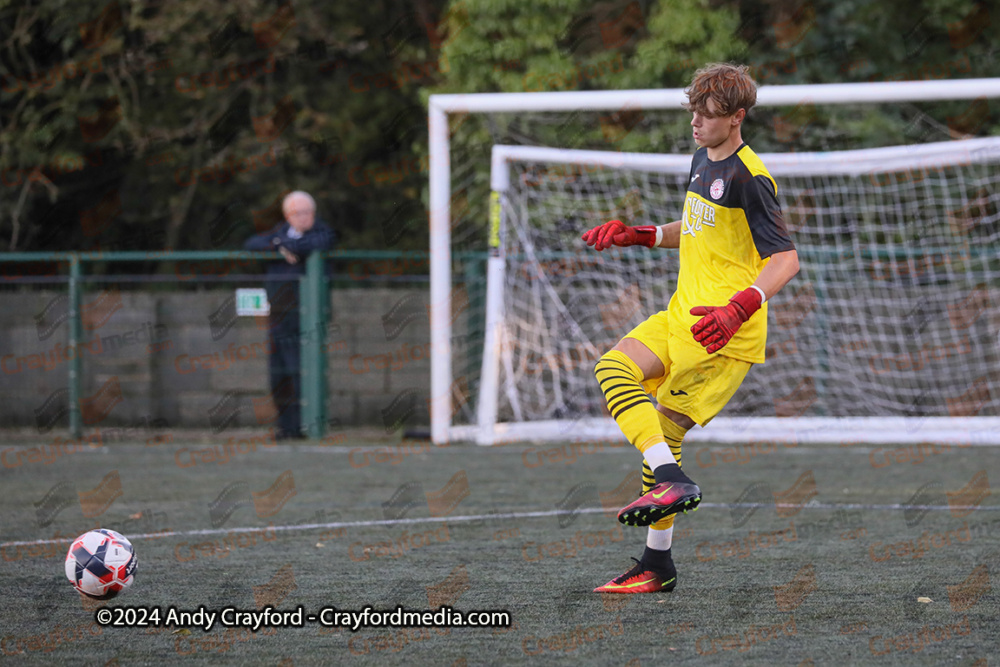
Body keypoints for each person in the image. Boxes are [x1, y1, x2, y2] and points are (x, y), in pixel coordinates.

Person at [582, 63, 800, 593]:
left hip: (721, 332)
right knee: (622, 380)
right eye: (694, 111)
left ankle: (663, 531)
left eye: (709, 114)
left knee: (651, 411)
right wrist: (644, 235)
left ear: (737, 117)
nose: (697, 122)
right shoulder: (703, 158)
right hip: (683, 312)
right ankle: (664, 527)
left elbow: (786, 260)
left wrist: (737, 309)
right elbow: (699, 228)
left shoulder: (752, 177)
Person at [245, 191, 336, 440]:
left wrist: (284, 245)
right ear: (287, 216)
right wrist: (279, 246)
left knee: (302, 371)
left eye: (307, 212)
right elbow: (252, 244)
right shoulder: (278, 234)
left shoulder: (322, 232)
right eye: (297, 213)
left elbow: (315, 245)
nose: (303, 217)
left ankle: (308, 426)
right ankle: (287, 428)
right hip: (278, 316)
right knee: (279, 373)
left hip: (307, 316)